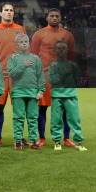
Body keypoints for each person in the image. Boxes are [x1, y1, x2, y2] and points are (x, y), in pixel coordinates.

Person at [31, 8, 76, 147]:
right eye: (52, 16)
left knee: (65, 109)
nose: (55, 18)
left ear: (60, 18)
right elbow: (33, 56)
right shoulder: (39, 34)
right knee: (41, 108)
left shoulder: (68, 35)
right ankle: (42, 138)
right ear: (47, 18)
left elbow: (71, 56)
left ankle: (66, 138)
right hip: (44, 76)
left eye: (57, 16)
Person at [0, 2, 26, 146]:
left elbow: (24, 49)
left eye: (11, 10)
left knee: (19, 109)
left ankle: (19, 137)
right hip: (0, 76)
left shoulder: (20, 29)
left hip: (18, 76)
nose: (9, 12)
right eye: (6, 10)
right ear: (0, 13)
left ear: (13, 13)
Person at [8, 33, 44, 150]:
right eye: (21, 42)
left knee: (33, 118)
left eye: (26, 42)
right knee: (18, 117)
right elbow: (12, 74)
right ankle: (18, 141)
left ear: (29, 43)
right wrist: (23, 65)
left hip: (33, 93)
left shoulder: (36, 58)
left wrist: (41, 91)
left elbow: (40, 76)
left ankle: (33, 141)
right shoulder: (12, 58)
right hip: (18, 92)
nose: (24, 44)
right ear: (17, 45)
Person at [49, 41, 87, 151]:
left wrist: (64, 79)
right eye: (59, 48)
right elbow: (53, 80)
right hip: (57, 95)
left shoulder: (73, 65)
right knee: (56, 120)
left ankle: (78, 142)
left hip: (71, 95)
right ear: (55, 51)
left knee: (75, 119)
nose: (61, 50)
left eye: (63, 48)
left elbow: (77, 79)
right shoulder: (53, 65)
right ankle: (57, 142)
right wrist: (65, 76)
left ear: (67, 50)